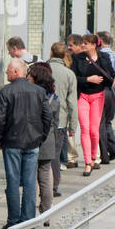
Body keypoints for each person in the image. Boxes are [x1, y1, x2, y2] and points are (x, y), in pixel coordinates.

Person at [0, 59, 53, 229]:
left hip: (12, 142)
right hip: (33, 142)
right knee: (29, 182)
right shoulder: (39, 91)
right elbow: (47, 117)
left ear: (16, 72)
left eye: (8, 70)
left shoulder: (5, 92)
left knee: (12, 182)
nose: (6, 73)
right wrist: (41, 136)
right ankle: (28, 221)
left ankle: (13, 221)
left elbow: (0, 119)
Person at [73, 32, 115, 176]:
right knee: (84, 129)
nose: (82, 45)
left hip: (98, 96)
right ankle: (87, 162)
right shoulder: (77, 58)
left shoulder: (104, 57)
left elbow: (111, 73)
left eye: (85, 43)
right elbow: (74, 78)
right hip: (82, 96)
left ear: (93, 45)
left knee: (93, 130)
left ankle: (93, 157)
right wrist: (88, 80)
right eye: (82, 42)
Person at [28, 62, 61, 220]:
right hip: (48, 139)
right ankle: (46, 213)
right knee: (46, 175)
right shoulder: (54, 97)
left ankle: (30, 212)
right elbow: (56, 121)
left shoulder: (32, 96)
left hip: (32, 138)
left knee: (31, 176)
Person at [47, 42, 77, 194]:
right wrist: (73, 126)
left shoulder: (42, 70)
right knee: (55, 155)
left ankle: (43, 185)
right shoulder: (69, 74)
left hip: (42, 118)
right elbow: (72, 103)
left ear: (51, 53)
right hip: (61, 119)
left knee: (42, 155)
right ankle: (53, 186)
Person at [96, 30, 115, 164]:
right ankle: (113, 149)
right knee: (107, 122)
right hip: (113, 93)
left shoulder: (99, 56)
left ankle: (107, 152)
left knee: (100, 122)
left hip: (102, 92)